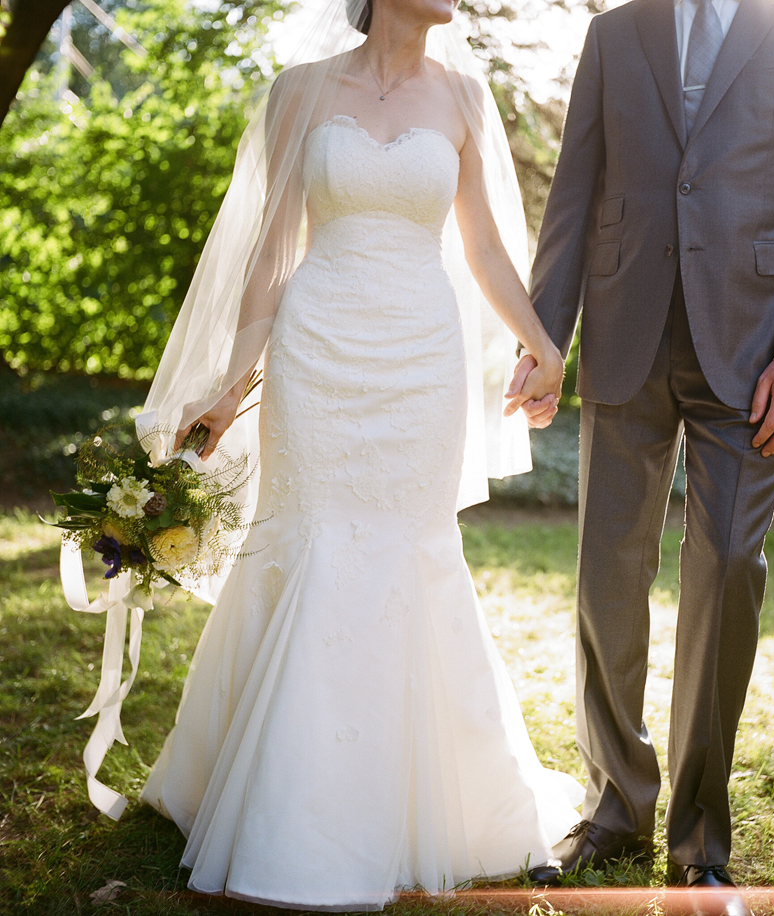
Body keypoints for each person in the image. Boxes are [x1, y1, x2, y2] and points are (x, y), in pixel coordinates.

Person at [135, 0, 582, 908]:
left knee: (404, 551)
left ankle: (414, 800)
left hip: (421, 358)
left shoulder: (463, 95)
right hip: (317, 351)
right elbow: (269, 254)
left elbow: (486, 248)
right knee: (310, 538)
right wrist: (228, 389)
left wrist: (544, 343)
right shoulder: (297, 92)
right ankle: (274, 798)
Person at [509, 0, 774, 911]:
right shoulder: (614, 32)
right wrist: (546, 337)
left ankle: (701, 835)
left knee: (725, 570)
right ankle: (615, 805)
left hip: (752, 350)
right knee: (605, 575)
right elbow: (575, 191)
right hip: (626, 330)